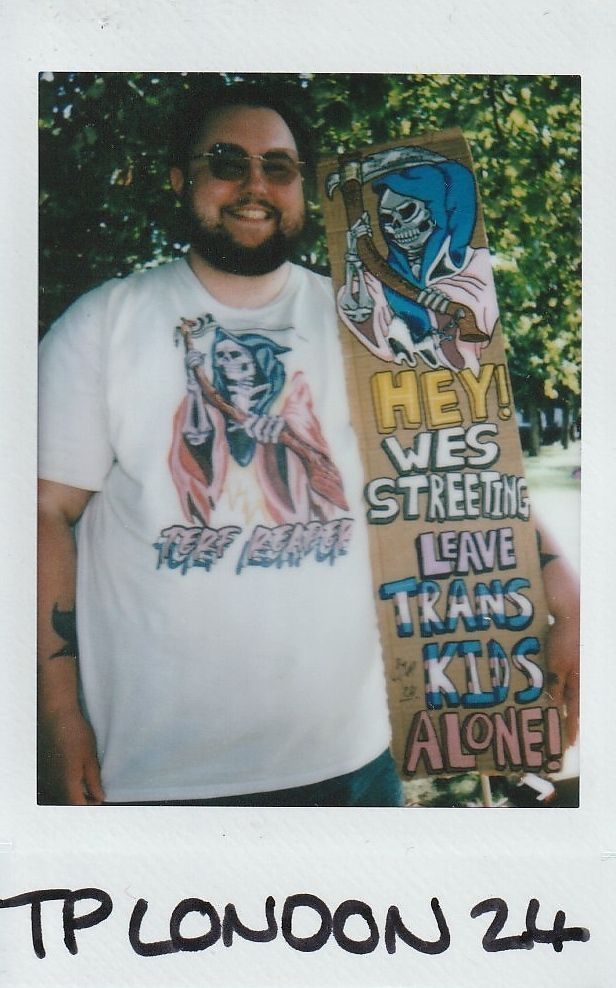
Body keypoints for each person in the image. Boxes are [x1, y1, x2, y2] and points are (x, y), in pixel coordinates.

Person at [38, 82, 579, 807]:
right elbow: (40, 516)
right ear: (182, 179)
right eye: (226, 161)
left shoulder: (370, 322)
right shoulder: (103, 323)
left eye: (279, 166)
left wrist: (560, 583)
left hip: (354, 765)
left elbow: (454, 466)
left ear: (305, 187)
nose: (254, 185)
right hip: (151, 776)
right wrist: (61, 716)